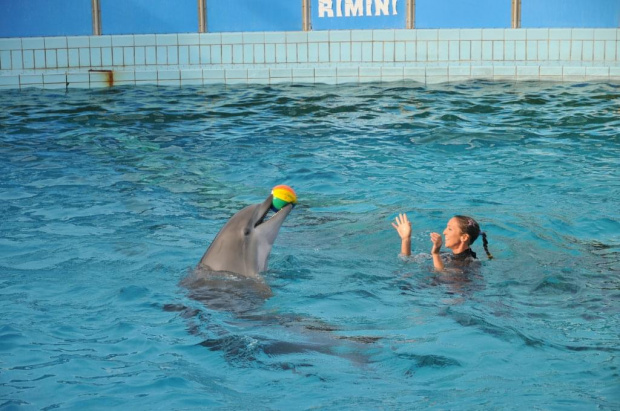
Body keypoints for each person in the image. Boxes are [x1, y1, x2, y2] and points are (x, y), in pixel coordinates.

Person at [392, 213, 493, 271]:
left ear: (464, 237)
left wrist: (435, 253)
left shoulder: (470, 263)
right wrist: (406, 239)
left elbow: (444, 277)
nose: (444, 232)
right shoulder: (445, 255)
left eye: (449, 229)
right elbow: (407, 261)